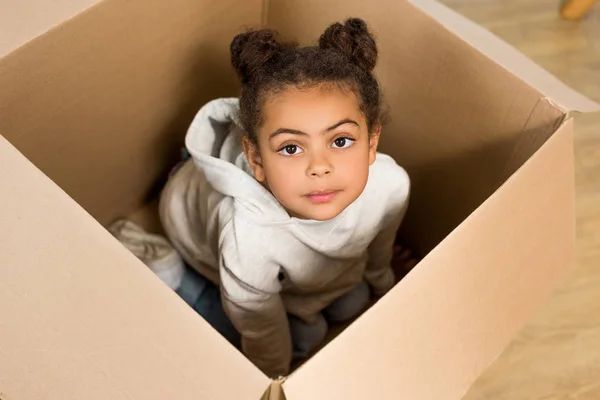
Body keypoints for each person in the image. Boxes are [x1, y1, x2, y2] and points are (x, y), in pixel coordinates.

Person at [158, 17, 411, 378]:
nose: (319, 167)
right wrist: (273, 378)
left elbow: (379, 251)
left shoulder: (391, 185)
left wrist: (383, 282)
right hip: (193, 231)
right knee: (306, 338)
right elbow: (258, 325)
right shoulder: (246, 237)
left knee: (352, 303)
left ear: (371, 144)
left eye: (340, 141)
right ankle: (184, 282)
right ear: (257, 159)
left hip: (306, 272)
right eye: (291, 147)